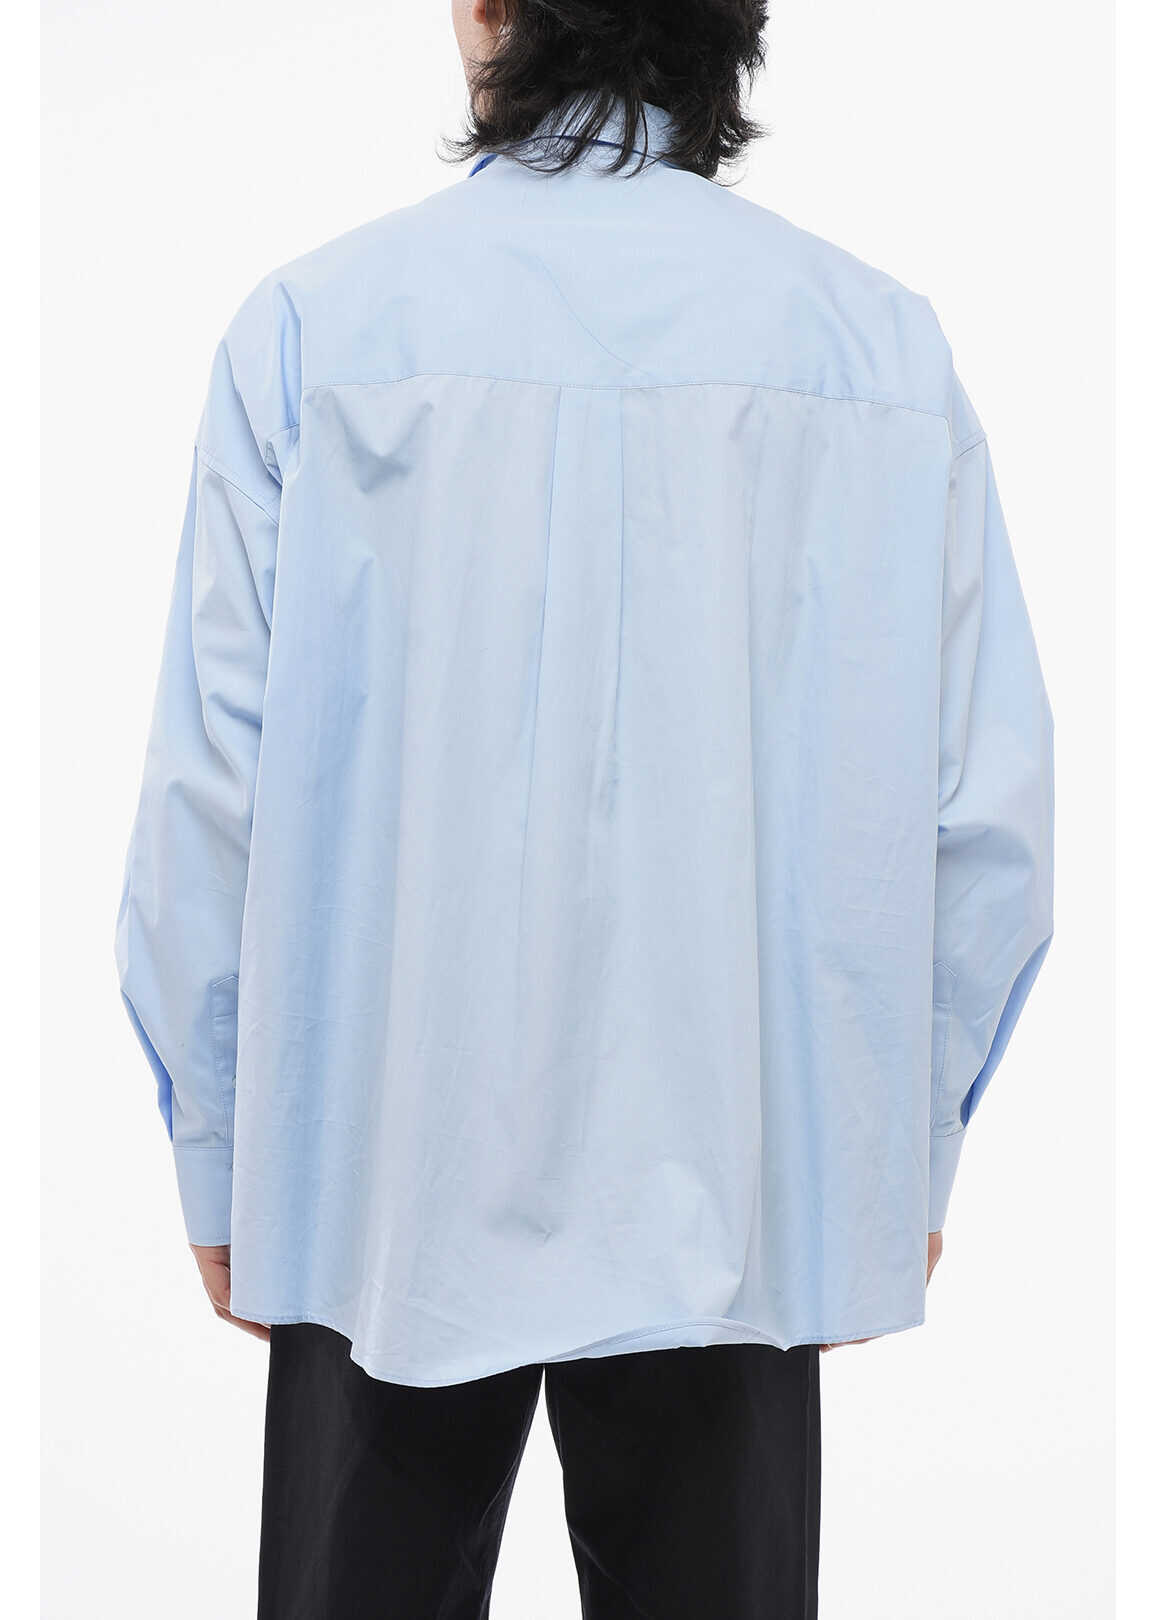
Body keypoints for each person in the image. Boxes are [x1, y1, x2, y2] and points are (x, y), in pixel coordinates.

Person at [115, 2, 1055, 1614]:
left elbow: (214, 791)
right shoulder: (872, 345)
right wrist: (891, 1160)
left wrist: (219, 1144)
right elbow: (983, 820)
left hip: (376, 1172)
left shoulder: (316, 329)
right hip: (741, 1175)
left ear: (494, 8)